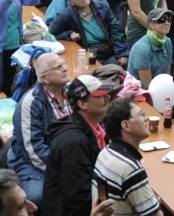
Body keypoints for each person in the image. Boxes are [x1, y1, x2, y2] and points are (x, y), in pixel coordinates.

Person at [40, 74, 117, 216]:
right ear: (83, 104)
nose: (108, 98)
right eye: (100, 96)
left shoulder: (97, 130)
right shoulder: (74, 143)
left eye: (107, 94)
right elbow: (79, 198)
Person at [5, 52, 70, 203]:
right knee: (38, 197)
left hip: (67, 157)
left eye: (64, 64)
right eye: (59, 67)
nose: (65, 69)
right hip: (31, 161)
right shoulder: (31, 103)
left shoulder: (72, 92)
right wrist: (62, 169)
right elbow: (32, 149)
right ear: (44, 78)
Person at [92, 96, 162, 216]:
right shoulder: (130, 168)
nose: (147, 118)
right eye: (142, 115)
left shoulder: (105, 152)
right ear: (126, 126)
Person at [126, 8, 173, 88]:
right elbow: (147, 86)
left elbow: (167, 75)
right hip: (139, 92)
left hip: (159, 88)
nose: (167, 23)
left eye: (169, 19)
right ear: (151, 25)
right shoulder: (142, 48)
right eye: (162, 20)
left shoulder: (167, 41)